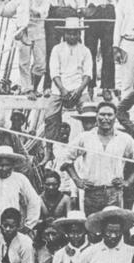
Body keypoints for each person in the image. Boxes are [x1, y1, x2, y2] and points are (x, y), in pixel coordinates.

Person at [62, 102, 134, 215]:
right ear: (96, 116)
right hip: (92, 192)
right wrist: (77, 180)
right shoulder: (85, 137)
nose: (105, 118)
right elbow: (66, 158)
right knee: (92, 227)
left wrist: (129, 181)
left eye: (109, 115)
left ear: (115, 116)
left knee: (113, 227)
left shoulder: (124, 138)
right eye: (102, 114)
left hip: (114, 192)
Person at [43, 17, 93, 166]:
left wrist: (79, 90)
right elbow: (54, 73)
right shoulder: (57, 49)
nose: (72, 36)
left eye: (75, 33)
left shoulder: (85, 50)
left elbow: (88, 74)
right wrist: (63, 90)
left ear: (79, 34)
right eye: (69, 33)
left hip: (79, 88)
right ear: (64, 34)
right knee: (50, 117)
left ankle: (89, 148)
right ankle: (48, 152)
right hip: (59, 89)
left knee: (90, 114)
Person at [0, 146, 41, 233]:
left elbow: (34, 201)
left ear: (12, 165)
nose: (3, 168)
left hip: (12, 229)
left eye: (7, 165)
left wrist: (28, 225)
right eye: (0, 165)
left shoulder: (20, 179)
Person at [80, 0, 116, 96]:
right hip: (91, 11)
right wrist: (82, 7)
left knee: (108, 51)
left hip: (108, 10)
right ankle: (89, 86)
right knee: (89, 51)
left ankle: (106, 87)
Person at [43, 1, 78, 97]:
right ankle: (47, 86)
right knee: (51, 50)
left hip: (71, 12)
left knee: (74, 50)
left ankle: (74, 85)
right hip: (53, 11)